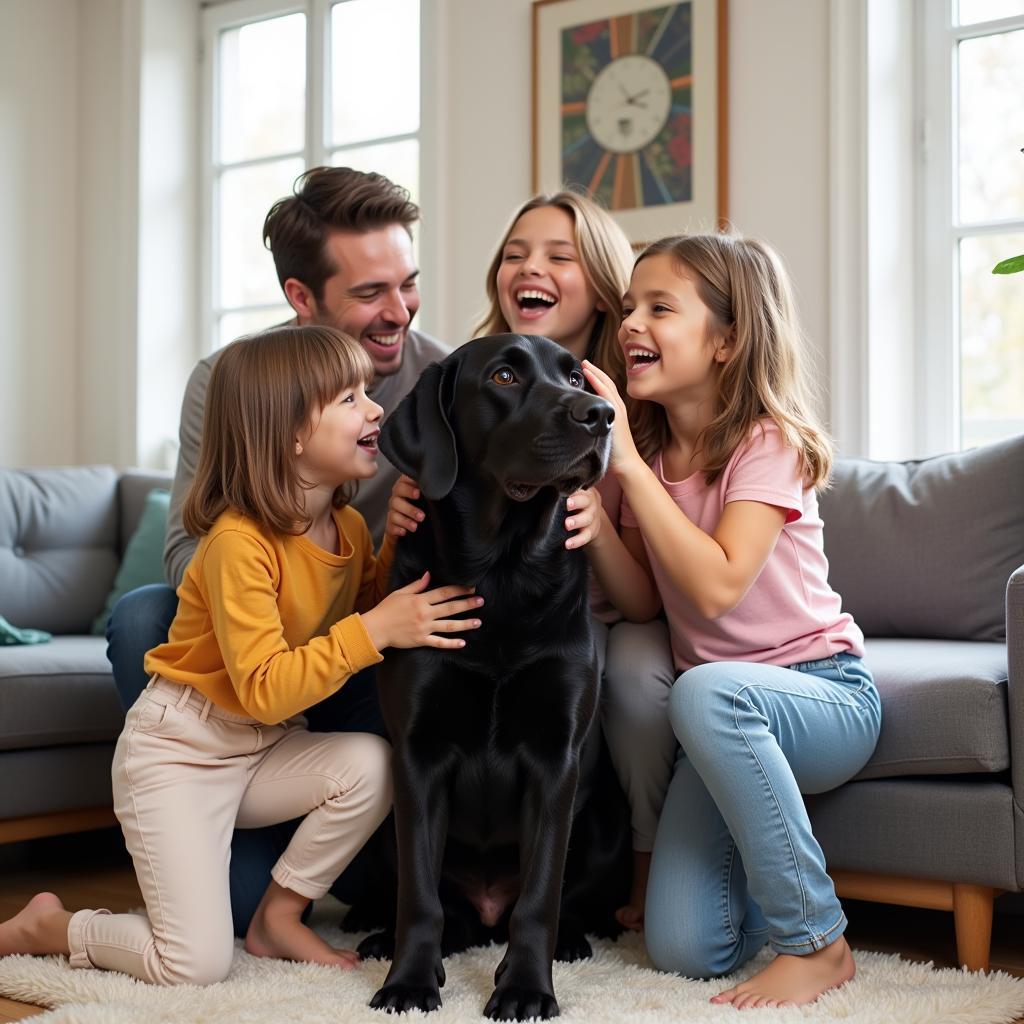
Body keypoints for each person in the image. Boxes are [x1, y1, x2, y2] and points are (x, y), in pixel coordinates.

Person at [0, 326, 483, 985]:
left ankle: (278, 915)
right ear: (288, 435)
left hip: (261, 750)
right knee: (191, 964)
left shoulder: (341, 524)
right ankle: (51, 926)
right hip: (180, 754)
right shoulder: (236, 544)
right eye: (349, 399)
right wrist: (378, 629)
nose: (375, 410)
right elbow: (264, 686)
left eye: (368, 393)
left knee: (372, 764)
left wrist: (393, 546)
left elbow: (359, 600)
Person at [105, 166, 449, 932]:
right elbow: (188, 552)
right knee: (140, 616)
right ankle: (203, 817)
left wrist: (380, 551)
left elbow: (392, 589)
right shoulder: (235, 382)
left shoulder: (441, 377)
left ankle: (293, 869)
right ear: (302, 298)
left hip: (349, 655)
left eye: (408, 284)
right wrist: (281, 564)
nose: (399, 312)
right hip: (250, 655)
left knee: (370, 758)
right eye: (370, 295)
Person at [581, 233, 881, 1008]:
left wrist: (627, 472)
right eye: (628, 308)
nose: (630, 326)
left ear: (728, 340)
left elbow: (716, 589)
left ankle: (818, 942)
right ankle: (768, 842)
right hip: (723, 718)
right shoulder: (642, 451)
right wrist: (599, 523)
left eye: (660, 308)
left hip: (821, 695)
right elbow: (646, 603)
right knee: (684, 948)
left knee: (704, 692)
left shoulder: (765, 443)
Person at [386, 190, 676, 932]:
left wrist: (595, 515)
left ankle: (635, 882)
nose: (529, 268)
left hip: (582, 616)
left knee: (624, 667)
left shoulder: (637, 394)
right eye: (514, 254)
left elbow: (643, 598)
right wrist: (393, 518)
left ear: (603, 285)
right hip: (470, 600)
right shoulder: (466, 372)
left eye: (557, 255)